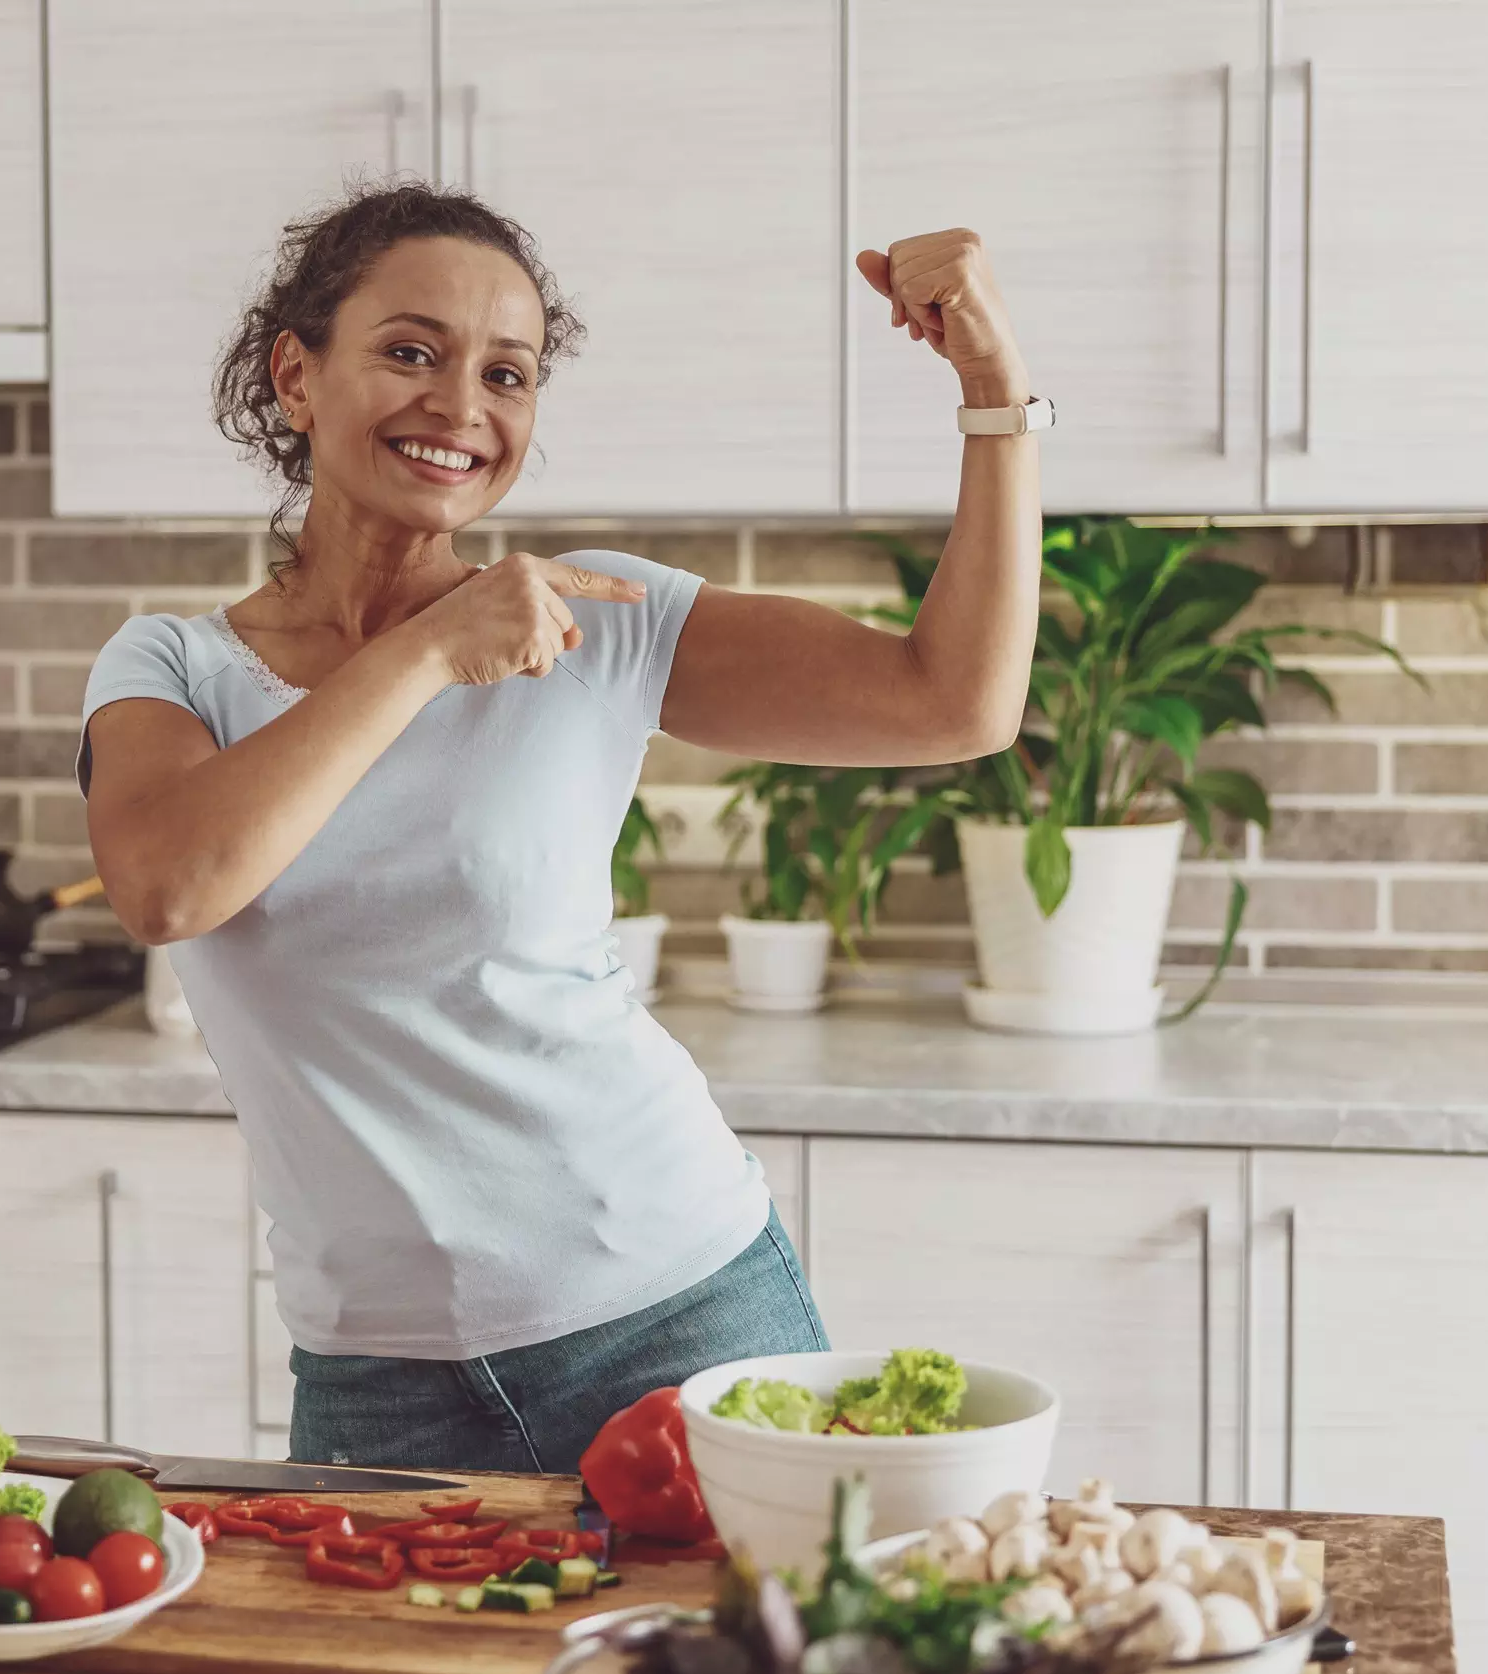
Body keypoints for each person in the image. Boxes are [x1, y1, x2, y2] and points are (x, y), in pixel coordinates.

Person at [77, 180, 1041, 1474]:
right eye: (411, 351)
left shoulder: (597, 620)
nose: (462, 406)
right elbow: (170, 884)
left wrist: (994, 391)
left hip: (680, 1309)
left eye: (508, 373)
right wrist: (425, 652)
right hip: (375, 1375)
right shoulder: (171, 665)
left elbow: (956, 700)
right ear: (295, 376)